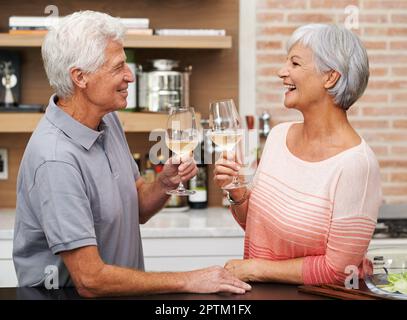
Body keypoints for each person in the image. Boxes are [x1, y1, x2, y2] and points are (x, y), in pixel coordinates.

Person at [13, 10, 251, 298]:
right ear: (80, 77)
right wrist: (188, 279)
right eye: (118, 67)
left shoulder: (107, 119)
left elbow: (135, 205)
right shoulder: (55, 159)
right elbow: (90, 280)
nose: (130, 77)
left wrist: (164, 184)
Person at [214, 24, 382, 286]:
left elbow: (339, 270)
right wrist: (237, 193)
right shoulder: (278, 137)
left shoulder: (356, 164)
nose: (282, 72)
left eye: (295, 63)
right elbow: (259, 230)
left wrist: (255, 269)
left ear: (330, 78)